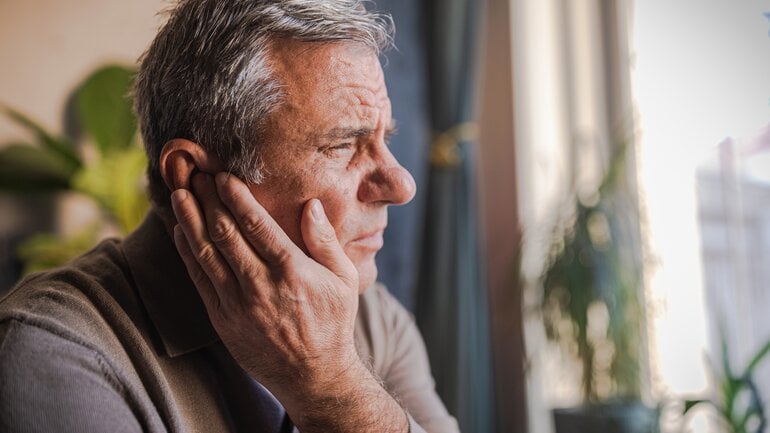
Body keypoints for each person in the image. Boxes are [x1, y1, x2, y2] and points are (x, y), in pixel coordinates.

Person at [0, 1, 459, 432]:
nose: (401, 185)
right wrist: (328, 388)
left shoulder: (374, 315)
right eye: (342, 146)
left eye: (386, 140)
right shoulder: (52, 350)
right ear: (195, 177)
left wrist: (334, 385)